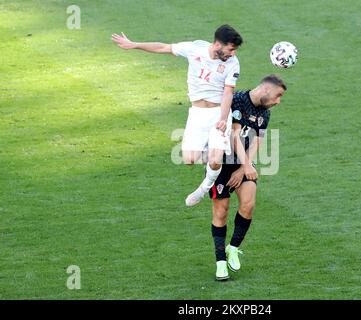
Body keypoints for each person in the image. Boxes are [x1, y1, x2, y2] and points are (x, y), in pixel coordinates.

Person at [111, 25, 243, 206]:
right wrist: (134, 44)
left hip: (218, 113)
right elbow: (164, 47)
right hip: (197, 114)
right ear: (218, 44)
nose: (233, 54)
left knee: (214, 160)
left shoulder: (232, 63)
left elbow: (228, 93)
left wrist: (222, 118)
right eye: (231, 49)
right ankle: (221, 154)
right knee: (189, 159)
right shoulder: (194, 49)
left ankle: (204, 187)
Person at [208, 74, 287, 280]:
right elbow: (234, 136)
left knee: (249, 204)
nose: (278, 101)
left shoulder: (265, 112)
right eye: (278, 96)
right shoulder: (238, 100)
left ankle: (233, 248)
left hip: (243, 164)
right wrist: (244, 166)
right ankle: (220, 263)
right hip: (221, 163)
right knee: (221, 212)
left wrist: (244, 168)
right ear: (266, 90)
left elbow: (257, 141)